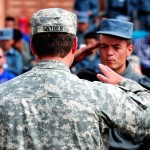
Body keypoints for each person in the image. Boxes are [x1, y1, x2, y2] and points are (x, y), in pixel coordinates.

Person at [0, 8, 150, 150]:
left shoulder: (3, 93)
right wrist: (123, 82)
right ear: (74, 45)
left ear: (32, 46)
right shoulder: (99, 94)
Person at [75, 18, 150, 149]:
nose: (109, 53)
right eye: (104, 47)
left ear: (129, 50)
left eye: (116, 47)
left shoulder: (143, 87)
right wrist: (72, 60)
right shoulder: (87, 80)